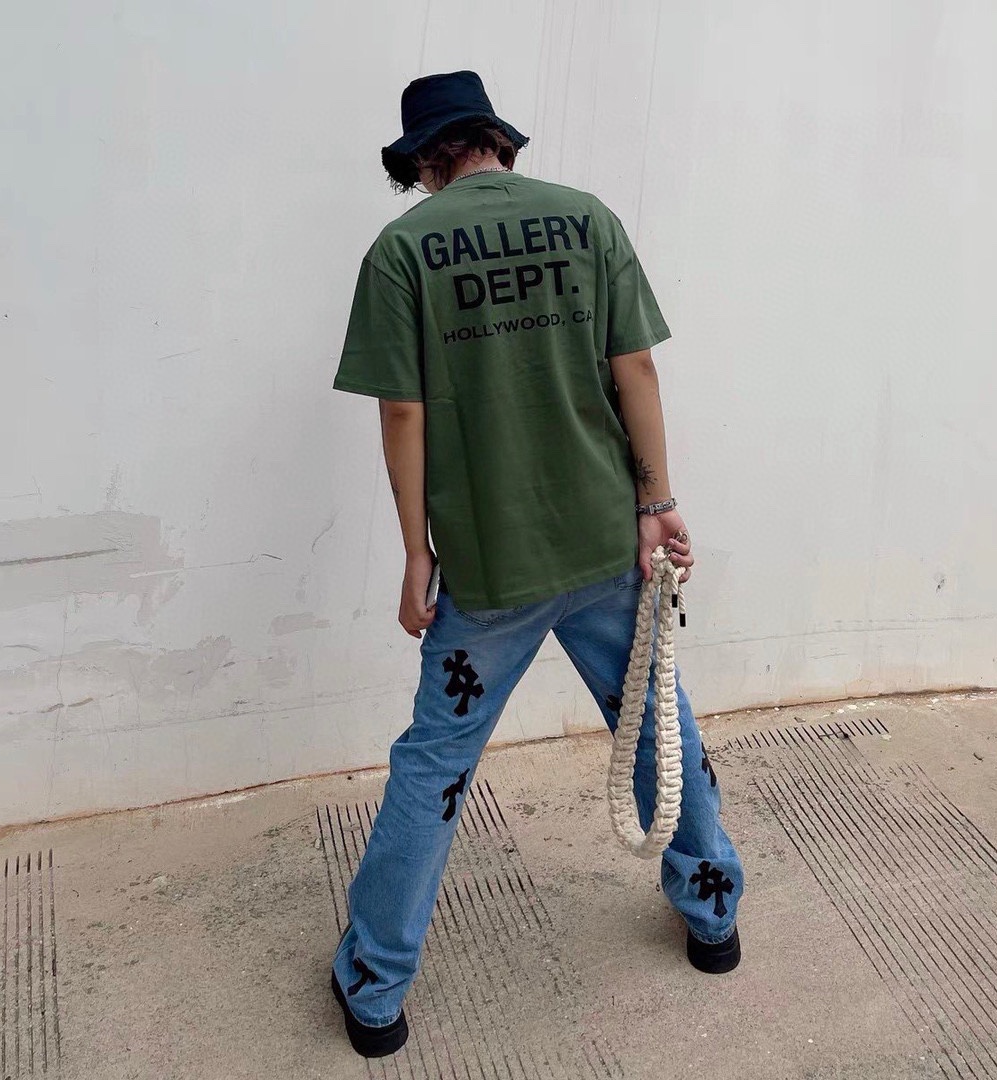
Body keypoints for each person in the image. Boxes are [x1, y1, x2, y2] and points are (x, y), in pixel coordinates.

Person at [330, 70, 744, 1059]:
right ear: (498, 143)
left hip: (490, 568)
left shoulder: (402, 251)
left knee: (434, 766)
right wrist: (658, 503)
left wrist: (415, 554)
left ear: (424, 162)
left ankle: (376, 993)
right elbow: (636, 368)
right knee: (658, 723)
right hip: (606, 541)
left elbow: (403, 412)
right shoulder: (587, 218)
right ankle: (715, 920)